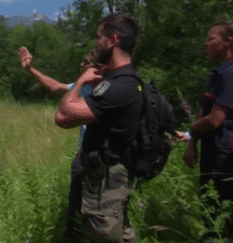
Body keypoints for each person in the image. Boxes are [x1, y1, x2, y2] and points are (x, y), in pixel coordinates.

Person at [55, 13, 142, 243]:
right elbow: (67, 119)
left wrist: (82, 81)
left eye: (99, 37)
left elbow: (63, 114)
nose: (96, 43)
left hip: (106, 181)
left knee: (103, 235)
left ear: (113, 40)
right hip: (111, 176)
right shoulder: (127, 81)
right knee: (122, 234)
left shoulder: (118, 87)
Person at [18, 47, 105, 241]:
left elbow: (63, 115)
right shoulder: (84, 84)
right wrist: (30, 69)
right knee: (75, 211)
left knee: (103, 214)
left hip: (104, 160)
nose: (81, 64)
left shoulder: (110, 88)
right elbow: (57, 87)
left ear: (99, 66)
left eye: (86, 61)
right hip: (83, 157)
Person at [184, 20, 233, 239]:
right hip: (215, 147)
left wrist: (191, 128)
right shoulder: (224, 72)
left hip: (227, 150)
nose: (206, 44)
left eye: (211, 39)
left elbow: (214, 120)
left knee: (220, 209)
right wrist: (192, 143)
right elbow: (205, 111)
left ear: (228, 42)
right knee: (214, 206)